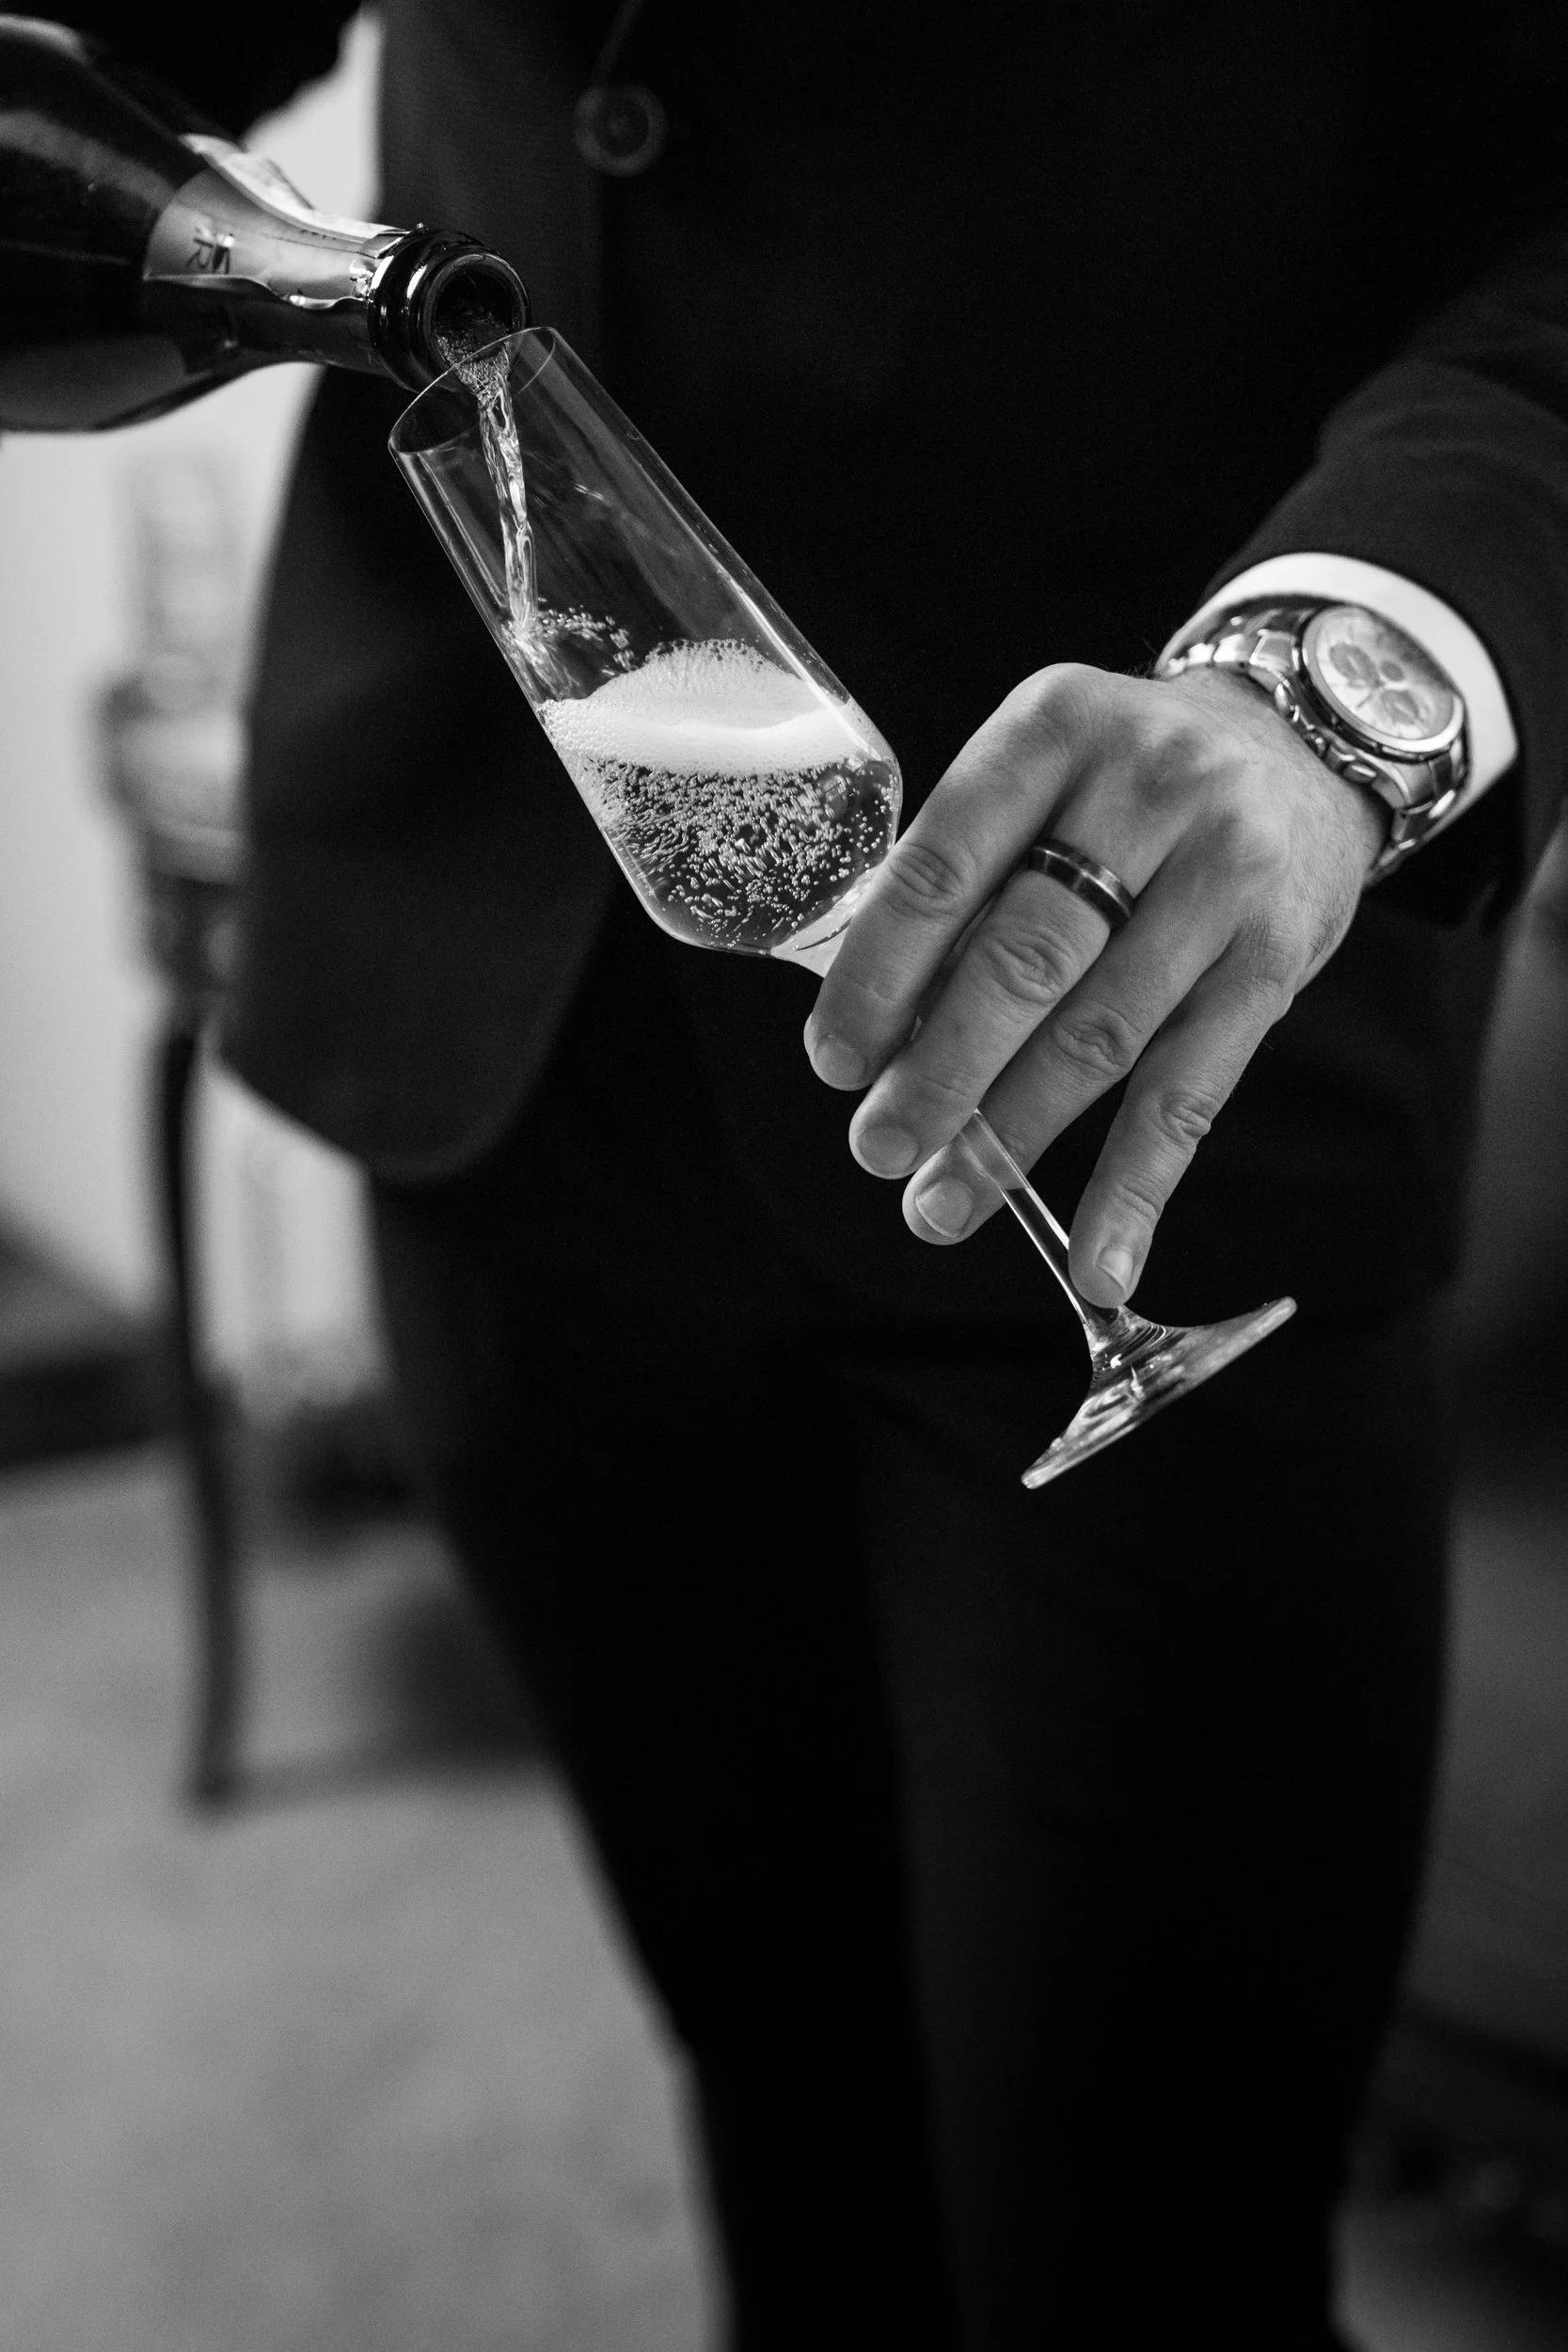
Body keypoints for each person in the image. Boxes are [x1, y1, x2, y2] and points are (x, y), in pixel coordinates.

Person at [71, 3, 1568, 2344]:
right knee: (792, 2133)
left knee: (1149, 2245)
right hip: (510, 1026)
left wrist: (1325, 688)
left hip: (1153, 1020)